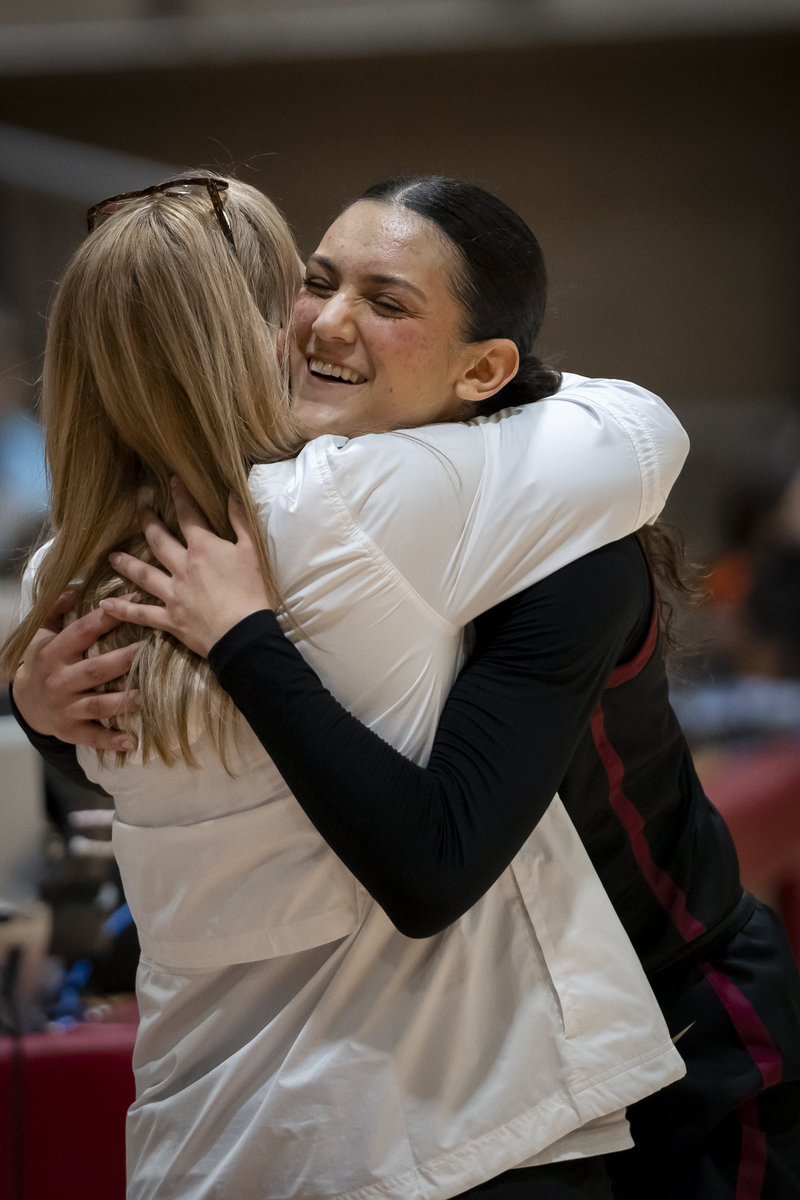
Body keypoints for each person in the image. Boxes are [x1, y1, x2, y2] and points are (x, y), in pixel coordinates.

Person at [55, 177, 800, 1200]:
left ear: (485, 369)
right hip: (493, 1036)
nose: (326, 321)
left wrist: (226, 645)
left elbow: (431, 856)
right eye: (314, 283)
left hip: (674, 997)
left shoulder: (547, 546)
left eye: (386, 301)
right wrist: (49, 712)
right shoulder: (288, 510)